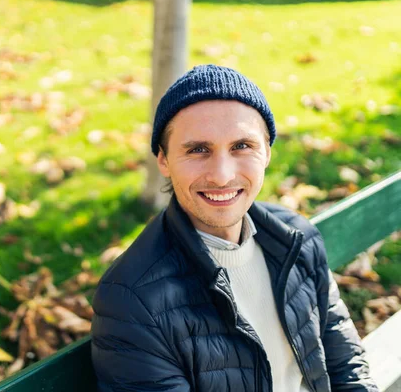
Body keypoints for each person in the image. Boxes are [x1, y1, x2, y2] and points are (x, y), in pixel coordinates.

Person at [90, 64, 377, 392]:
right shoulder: (132, 299)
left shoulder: (297, 238)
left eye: (242, 146)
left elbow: (347, 368)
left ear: (267, 152)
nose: (222, 175)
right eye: (198, 150)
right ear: (163, 160)